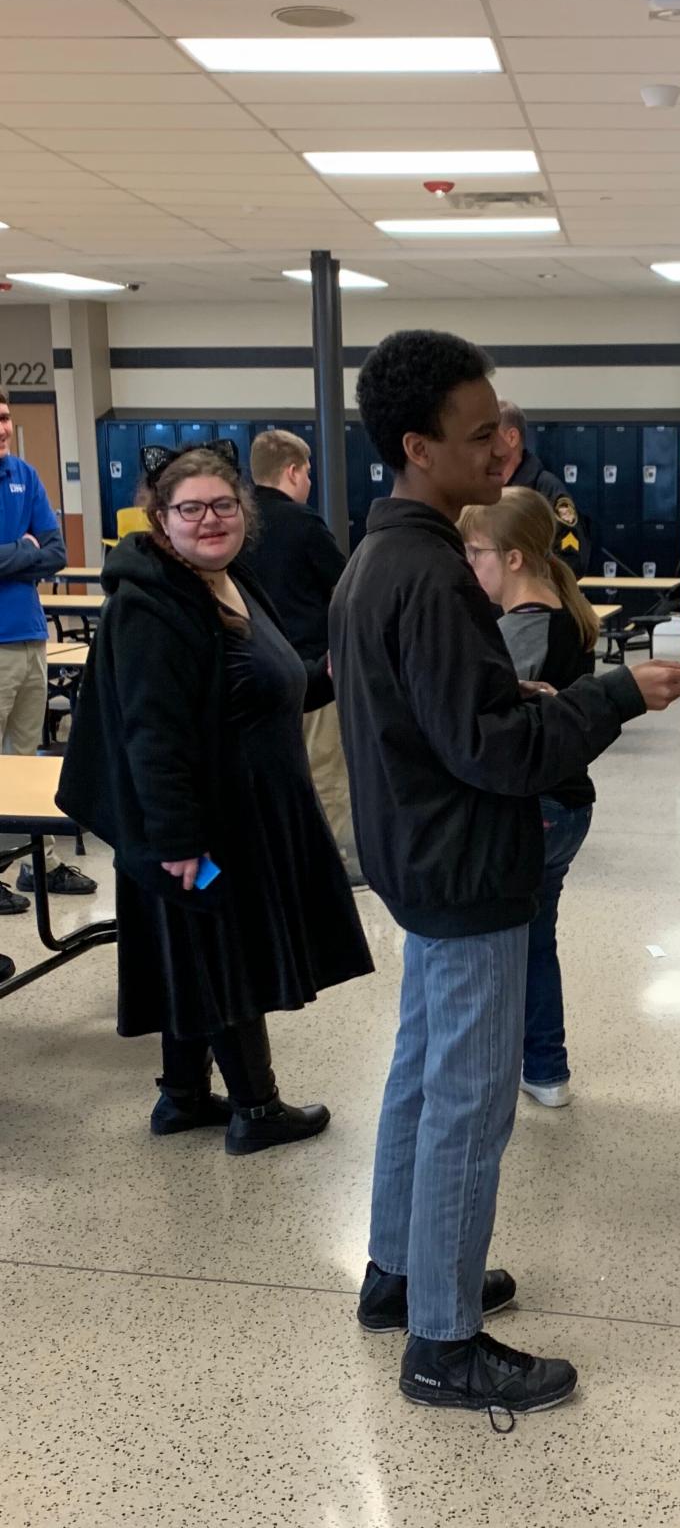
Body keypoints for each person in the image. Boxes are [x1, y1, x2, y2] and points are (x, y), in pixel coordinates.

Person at [331, 329, 680, 1422]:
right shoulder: (434, 575)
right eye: (481, 430)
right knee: (468, 1103)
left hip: (419, 858)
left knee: (418, 1073)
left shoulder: (380, 556)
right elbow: (502, 754)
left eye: (504, 421)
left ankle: (402, 1274)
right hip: (466, 867)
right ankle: (444, 1343)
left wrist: (520, 702)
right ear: (418, 446)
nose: (506, 444)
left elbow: (451, 718)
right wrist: (616, 696)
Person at [58, 446, 373, 1155]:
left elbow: (257, 685)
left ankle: (184, 1095)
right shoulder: (150, 604)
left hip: (229, 814)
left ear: (245, 510)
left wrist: (325, 673)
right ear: (160, 518)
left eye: (223, 505)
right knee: (222, 944)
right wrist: (177, 841)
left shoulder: (225, 581)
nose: (210, 519)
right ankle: (257, 1109)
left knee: (191, 946)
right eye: (190, 508)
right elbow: (151, 732)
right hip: (192, 827)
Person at [459, 486, 601, 1109]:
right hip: (570, 805)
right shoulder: (568, 613)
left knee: (507, 947)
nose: (468, 566)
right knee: (536, 937)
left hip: (537, 807)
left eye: (476, 552)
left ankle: (524, 1066)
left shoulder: (521, 631)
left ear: (514, 558)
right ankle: (545, 1068)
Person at [238, 427, 356, 870]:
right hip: (312, 672)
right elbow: (346, 591)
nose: (309, 481)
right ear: (291, 471)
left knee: (272, 772)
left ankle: (281, 857)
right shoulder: (305, 525)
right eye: (307, 472)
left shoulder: (237, 524)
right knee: (323, 770)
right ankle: (330, 862)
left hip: (256, 674)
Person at [0, 386, 96, 910]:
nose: (2, 428)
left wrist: (18, 554)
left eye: (6, 417)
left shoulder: (24, 476)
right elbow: (36, 550)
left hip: (32, 635)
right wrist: (23, 551)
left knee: (25, 757)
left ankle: (35, 864)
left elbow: (56, 550)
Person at [497, 399, 590, 575]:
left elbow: (572, 557)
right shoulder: (481, 488)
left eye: (488, 435)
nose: (481, 445)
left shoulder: (546, 489)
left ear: (512, 438)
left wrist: (531, 582)